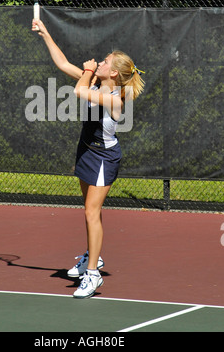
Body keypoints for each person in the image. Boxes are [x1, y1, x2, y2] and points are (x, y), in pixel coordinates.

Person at [32, 18, 145, 299]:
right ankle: (93, 257)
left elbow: (79, 90)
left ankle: (93, 274)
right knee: (90, 210)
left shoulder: (116, 99)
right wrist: (45, 33)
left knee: (90, 212)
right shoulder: (96, 81)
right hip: (86, 151)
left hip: (104, 158)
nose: (101, 63)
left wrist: (87, 70)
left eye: (106, 62)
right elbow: (63, 65)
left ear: (115, 74)